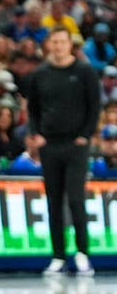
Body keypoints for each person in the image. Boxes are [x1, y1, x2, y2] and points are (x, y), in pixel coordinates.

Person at [25, 26, 99, 277]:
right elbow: (32, 108)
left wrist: (84, 136)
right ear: (48, 45)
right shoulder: (40, 74)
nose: (57, 46)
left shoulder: (84, 71)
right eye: (53, 42)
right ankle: (58, 256)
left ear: (70, 44)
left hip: (75, 144)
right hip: (50, 144)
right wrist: (37, 134)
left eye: (62, 42)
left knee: (76, 200)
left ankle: (82, 253)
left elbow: (94, 106)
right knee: (54, 202)